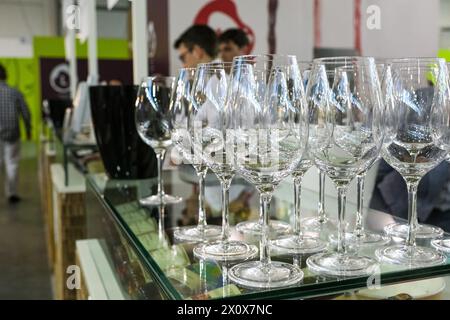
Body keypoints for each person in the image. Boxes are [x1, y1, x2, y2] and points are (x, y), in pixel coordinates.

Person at [0, 64, 31, 204]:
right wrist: (28, 129)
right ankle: (11, 193)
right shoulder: (14, 92)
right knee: (12, 163)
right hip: (12, 132)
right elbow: (25, 112)